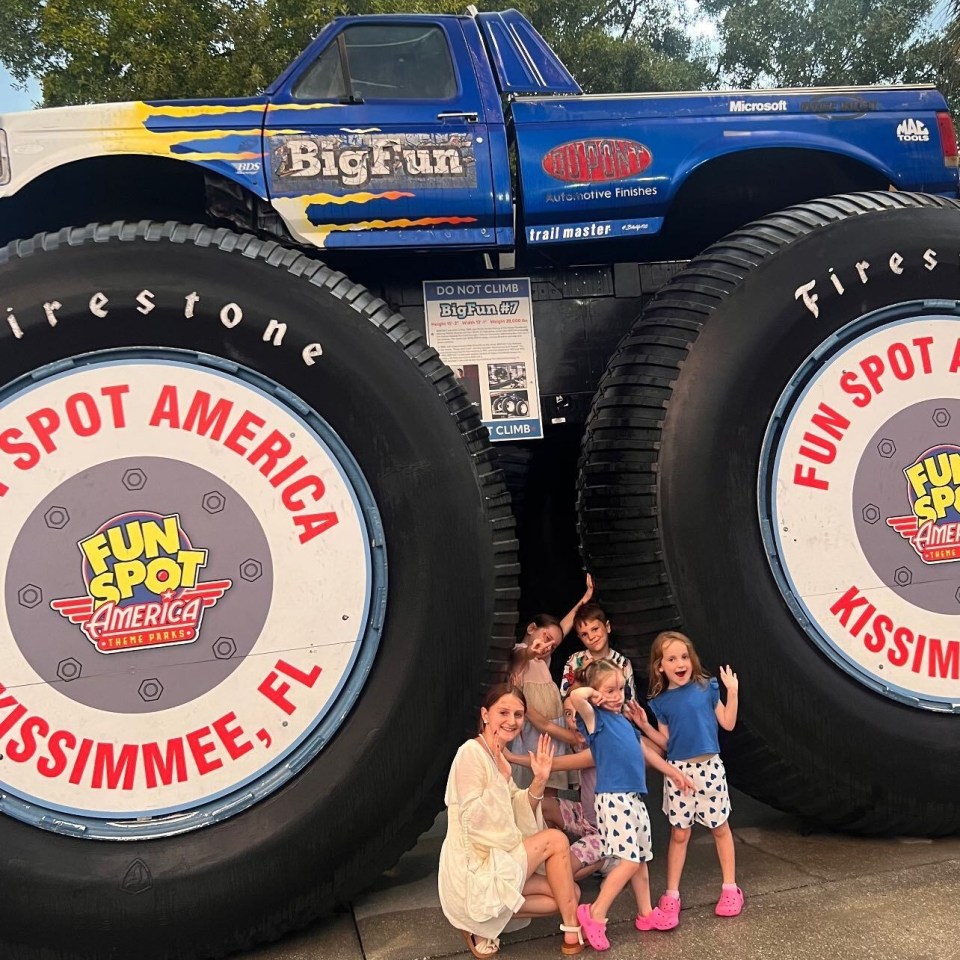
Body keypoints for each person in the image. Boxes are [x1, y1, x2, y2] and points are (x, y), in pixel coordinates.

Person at [438, 684, 585, 958]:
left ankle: (481, 918)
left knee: (570, 893)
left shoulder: (498, 755)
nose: (512, 721)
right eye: (503, 712)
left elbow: (518, 808)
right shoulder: (470, 752)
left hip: (498, 856)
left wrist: (540, 779)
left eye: (518, 715)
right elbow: (473, 819)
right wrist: (502, 779)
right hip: (474, 866)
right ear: (485, 715)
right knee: (555, 839)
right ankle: (572, 929)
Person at [568, 660, 694, 951]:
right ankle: (595, 913)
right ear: (597, 693)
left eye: (620, 689)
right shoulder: (594, 719)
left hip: (633, 799)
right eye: (609, 690)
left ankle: (646, 912)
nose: (616, 695)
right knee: (630, 861)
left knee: (641, 860)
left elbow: (647, 754)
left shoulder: (623, 722)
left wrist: (673, 772)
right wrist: (591, 694)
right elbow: (575, 698)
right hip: (613, 799)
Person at [638, 630, 742, 926]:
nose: (680, 663)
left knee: (720, 828)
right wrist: (644, 725)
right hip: (678, 773)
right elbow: (667, 743)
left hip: (709, 768)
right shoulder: (660, 702)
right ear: (660, 666)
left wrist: (731, 691)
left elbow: (728, 723)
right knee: (679, 834)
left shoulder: (707, 687)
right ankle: (672, 894)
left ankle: (730, 888)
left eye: (684, 656)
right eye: (671, 658)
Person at [507, 690, 602, 881]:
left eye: (579, 712)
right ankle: (547, 856)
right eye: (567, 713)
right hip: (586, 817)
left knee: (561, 872)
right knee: (543, 805)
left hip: (609, 830)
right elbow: (545, 724)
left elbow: (554, 764)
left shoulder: (600, 745)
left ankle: (606, 861)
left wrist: (510, 757)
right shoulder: (578, 739)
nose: (574, 719)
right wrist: (519, 701)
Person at [508, 615, 581, 789]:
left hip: (553, 740)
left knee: (551, 793)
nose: (548, 647)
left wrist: (582, 602)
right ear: (531, 628)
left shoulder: (544, 660)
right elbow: (522, 654)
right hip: (533, 740)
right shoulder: (520, 655)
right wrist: (532, 651)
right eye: (546, 639)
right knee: (533, 791)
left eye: (553, 646)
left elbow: (560, 630)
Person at [559, 599, 637, 705]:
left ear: (607, 627)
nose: (591, 637)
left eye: (595, 629)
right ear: (580, 638)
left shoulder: (623, 663)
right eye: (584, 634)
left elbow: (630, 703)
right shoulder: (575, 660)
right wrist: (582, 675)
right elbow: (565, 698)